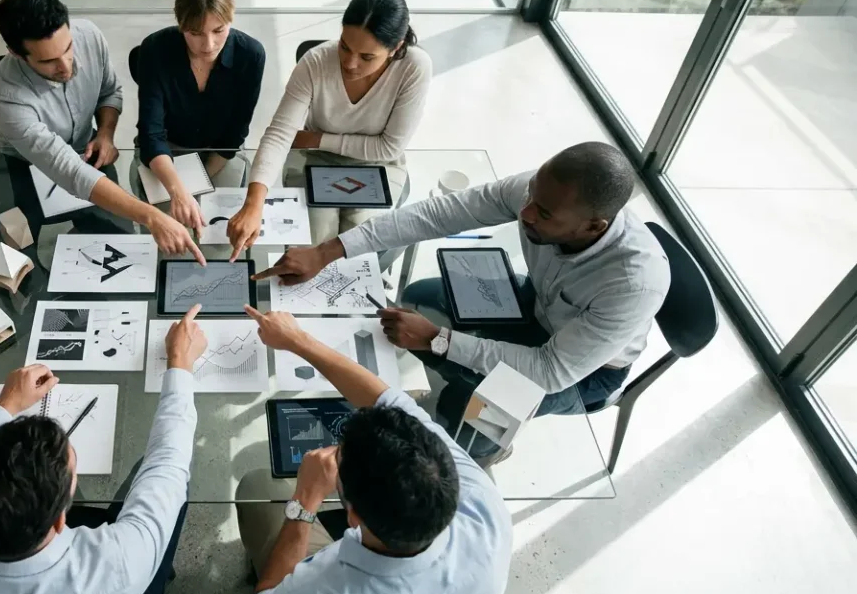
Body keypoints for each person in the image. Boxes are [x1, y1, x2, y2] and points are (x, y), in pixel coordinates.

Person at [255, 142, 671, 458]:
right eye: (530, 198)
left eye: (543, 215)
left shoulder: (634, 284)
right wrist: (328, 251)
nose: (525, 213)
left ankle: (485, 452)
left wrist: (437, 339)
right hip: (536, 300)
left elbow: (549, 370)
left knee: (468, 415)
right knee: (418, 298)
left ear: (594, 226)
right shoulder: (539, 194)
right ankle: (445, 388)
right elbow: (439, 214)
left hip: (584, 372)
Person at [0, 305, 208, 594]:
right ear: (61, 521)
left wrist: (5, 404)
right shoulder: (117, 566)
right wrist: (180, 362)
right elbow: (168, 464)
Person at [236, 305, 511, 594]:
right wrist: (297, 340)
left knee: (257, 486)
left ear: (353, 518)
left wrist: (305, 501)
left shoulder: (332, 588)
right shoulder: (482, 504)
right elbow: (386, 398)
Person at [0, 0, 202, 263]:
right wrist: (152, 216)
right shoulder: (4, 96)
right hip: (19, 165)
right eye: (49, 61)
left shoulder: (88, 35)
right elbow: (69, 170)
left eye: (68, 48)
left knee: (124, 254)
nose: (66, 66)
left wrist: (106, 134)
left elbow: (109, 92)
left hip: (87, 152)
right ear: (16, 54)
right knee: (10, 265)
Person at [226, 0, 432, 258]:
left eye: (367, 57)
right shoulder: (316, 61)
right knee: (311, 247)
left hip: (376, 164)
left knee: (358, 245)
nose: (350, 63)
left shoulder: (414, 67)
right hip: (316, 159)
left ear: (395, 48)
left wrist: (317, 138)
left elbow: (388, 148)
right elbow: (280, 134)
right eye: (344, 46)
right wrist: (254, 203)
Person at [134, 0, 266, 238]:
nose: (208, 44)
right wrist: (180, 192)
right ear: (180, 22)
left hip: (220, 153)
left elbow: (235, 134)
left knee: (220, 238)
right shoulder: (155, 50)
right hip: (167, 154)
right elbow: (151, 135)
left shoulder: (250, 55)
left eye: (219, 30)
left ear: (231, 16)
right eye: (195, 33)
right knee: (169, 240)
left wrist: (198, 186)